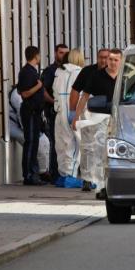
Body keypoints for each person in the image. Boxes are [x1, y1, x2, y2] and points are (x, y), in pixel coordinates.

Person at [73, 49, 122, 191]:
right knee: (91, 148)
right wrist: (75, 116)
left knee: (111, 150)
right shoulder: (95, 75)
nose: (110, 62)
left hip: (117, 117)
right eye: (108, 59)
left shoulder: (124, 77)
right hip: (96, 116)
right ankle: (88, 179)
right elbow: (84, 96)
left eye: (114, 59)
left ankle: (106, 181)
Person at [53, 49, 86, 187]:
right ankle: (71, 176)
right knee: (74, 145)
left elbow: (54, 91)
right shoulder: (79, 73)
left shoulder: (58, 73)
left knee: (61, 144)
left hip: (59, 111)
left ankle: (63, 175)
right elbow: (83, 94)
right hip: (73, 110)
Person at [16, 46, 46, 185]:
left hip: (35, 112)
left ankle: (33, 173)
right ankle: (29, 174)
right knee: (31, 142)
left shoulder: (31, 71)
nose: (40, 58)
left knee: (34, 143)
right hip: (30, 111)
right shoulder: (27, 72)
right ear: (36, 56)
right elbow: (25, 93)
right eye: (39, 55)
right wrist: (38, 86)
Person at [40, 43, 69, 183]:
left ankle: (64, 172)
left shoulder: (68, 70)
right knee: (54, 142)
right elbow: (44, 91)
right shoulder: (50, 71)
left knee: (65, 143)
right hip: (53, 111)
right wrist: (54, 102)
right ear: (55, 53)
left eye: (65, 53)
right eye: (61, 52)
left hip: (65, 111)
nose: (63, 55)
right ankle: (54, 173)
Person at [70, 48, 109, 112]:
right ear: (97, 58)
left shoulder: (115, 72)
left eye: (106, 57)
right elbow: (75, 90)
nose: (103, 60)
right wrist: (72, 111)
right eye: (100, 57)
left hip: (110, 109)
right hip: (90, 111)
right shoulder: (87, 71)